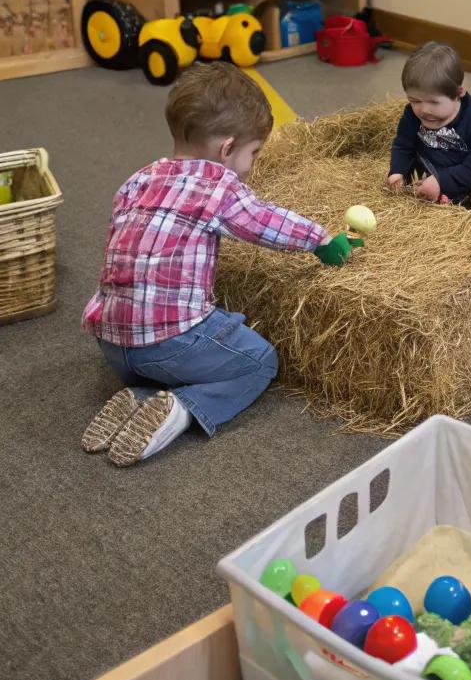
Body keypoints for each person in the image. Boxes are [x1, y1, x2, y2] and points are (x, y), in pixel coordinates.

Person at [81, 63, 345, 467]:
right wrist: (321, 240)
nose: (253, 164)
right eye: (253, 152)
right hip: (165, 345)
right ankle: (183, 408)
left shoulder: (138, 179)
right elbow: (264, 221)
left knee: (170, 340)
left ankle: (142, 393)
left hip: (112, 344)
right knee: (259, 361)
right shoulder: (219, 185)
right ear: (226, 149)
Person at [388, 41, 471, 205]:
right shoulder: (412, 114)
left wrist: (442, 181)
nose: (423, 110)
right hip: (418, 183)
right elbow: (403, 144)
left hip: (457, 187)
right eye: (415, 100)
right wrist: (397, 171)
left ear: (459, 93)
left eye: (434, 103)